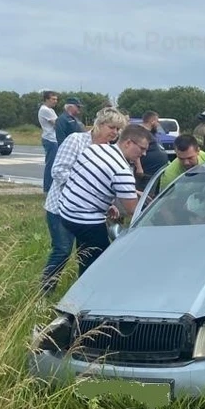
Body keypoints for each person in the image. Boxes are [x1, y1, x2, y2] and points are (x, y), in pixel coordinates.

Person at [40, 106, 129, 292]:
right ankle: (45, 291)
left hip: (89, 214)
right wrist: (81, 184)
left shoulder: (109, 150)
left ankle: (84, 291)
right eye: (112, 127)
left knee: (86, 254)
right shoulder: (76, 140)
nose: (115, 133)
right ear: (99, 124)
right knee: (62, 250)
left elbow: (103, 181)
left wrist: (109, 203)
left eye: (118, 130)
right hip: (61, 208)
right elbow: (58, 170)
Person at [57, 124, 151, 277]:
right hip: (86, 220)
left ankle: (81, 282)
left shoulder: (95, 149)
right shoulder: (122, 170)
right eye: (142, 148)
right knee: (100, 264)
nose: (144, 154)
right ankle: (87, 294)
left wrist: (109, 204)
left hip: (66, 211)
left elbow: (88, 182)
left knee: (85, 256)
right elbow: (132, 210)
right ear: (128, 143)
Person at [134, 110, 171, 191]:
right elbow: (136, 150)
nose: (158, 124)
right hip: (147, 173)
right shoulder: (141, 132)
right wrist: (139, 168)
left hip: (156, 172)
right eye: (157, 121)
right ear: (152, 121)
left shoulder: (151, 133)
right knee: (146, 196)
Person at [38, 91, 59, 192]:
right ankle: (48, 188)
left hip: (53, 138)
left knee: (53, 163)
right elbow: (57, 124)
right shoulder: (45, 110)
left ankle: (50, 187)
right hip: (50, 139)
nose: (55, 101)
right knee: (51, 164)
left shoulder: (50, 110)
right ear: (47, 99)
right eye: (53, 99)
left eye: (56, 99)